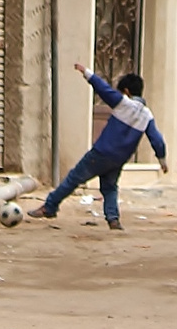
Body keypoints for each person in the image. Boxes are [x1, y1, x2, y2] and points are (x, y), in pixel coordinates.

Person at [29, 63, 167, 229]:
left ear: (127, 91)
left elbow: (103, 89)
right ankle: (113, 218)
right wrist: (162, 159)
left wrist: (86, 73)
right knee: (109, 187)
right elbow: (157, 139)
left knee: (73, 179)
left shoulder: (123, 103)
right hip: (119, 159)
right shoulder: (147, 115)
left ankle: (49, 206)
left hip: (101, 153)